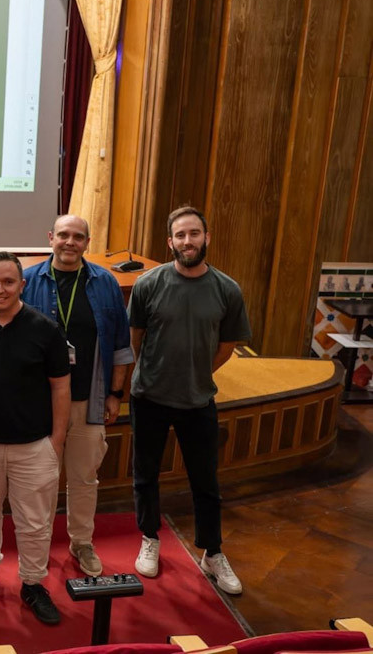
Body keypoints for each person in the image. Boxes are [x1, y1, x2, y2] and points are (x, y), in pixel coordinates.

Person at [129, 205, 250, 595]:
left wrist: (196, 374)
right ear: (170, 242)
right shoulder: (149, 284)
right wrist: (154, 371)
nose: (187, 241)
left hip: (198, 400)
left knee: (206, 481)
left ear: (206, 237)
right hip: (149, 396)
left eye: (194, 233)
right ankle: (150, 538)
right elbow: (136, 338)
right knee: (145, 475)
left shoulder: (227, 289)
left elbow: (227, 346)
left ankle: (212, 552)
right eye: (180, 235)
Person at [0, 252, 70, 625]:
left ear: (22, 285)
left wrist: (56, 442)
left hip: (34, 446)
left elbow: (61, 388)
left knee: (35, 522)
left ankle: (33, 584)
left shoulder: (45, 329)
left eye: (8, 282)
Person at [21, 215, 133, 576]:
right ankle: (39, 545)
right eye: (64, 235)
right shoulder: (28, 280)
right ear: (51, 237)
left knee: (84, 479)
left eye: (78, 237)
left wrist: (115, 394)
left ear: (87, 243)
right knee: (40, 479)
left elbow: (120, 345)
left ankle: (82, 543)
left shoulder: (105, 283)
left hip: (88, 400)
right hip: (39, 402)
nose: (70, 242)